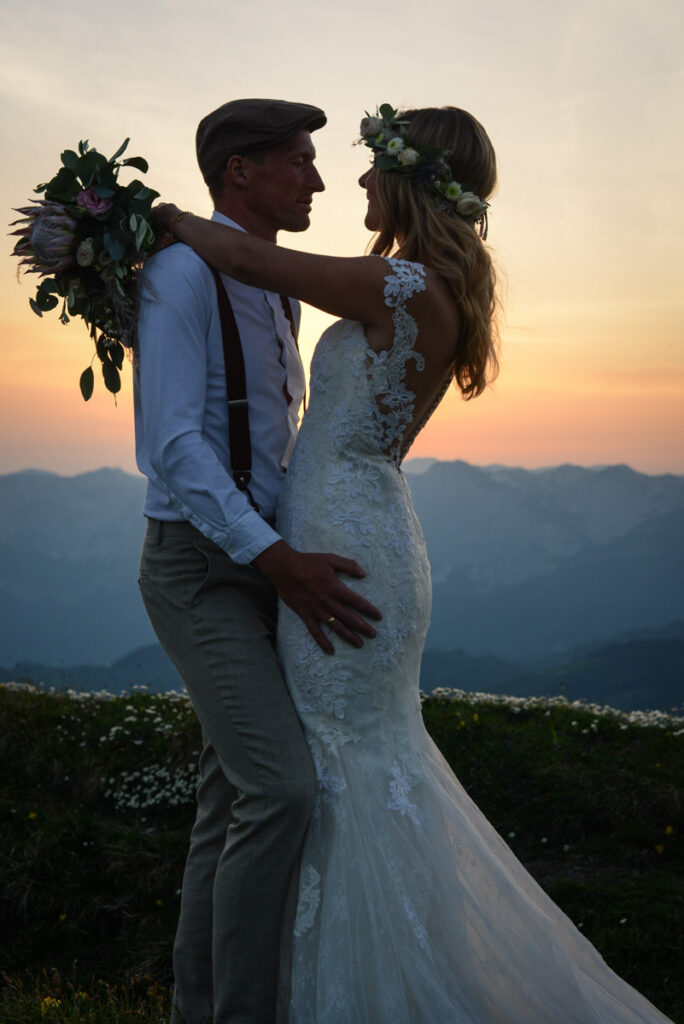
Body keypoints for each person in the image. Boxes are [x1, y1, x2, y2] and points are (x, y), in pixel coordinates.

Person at [156, 104, 673, 1022]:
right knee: (332, 765)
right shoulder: (423, 284)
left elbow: (238, 257)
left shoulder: (394, 283)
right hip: (358, 534)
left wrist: (135, 218)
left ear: (406, 179)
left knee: (327, 770)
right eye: (319, 164)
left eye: (364, 167)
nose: (348, 182)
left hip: (339, 554)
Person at [135, 98, 382, 1024]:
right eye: (300, 161)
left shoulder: (272, 281)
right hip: (200, 570)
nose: (319, 179)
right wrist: (277, 558)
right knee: (280, 789)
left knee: (228, 803)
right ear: (240, 170)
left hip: (258, 565)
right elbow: (173, 447)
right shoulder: (182, 276)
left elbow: (269, 442)